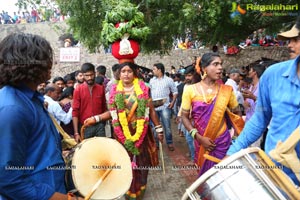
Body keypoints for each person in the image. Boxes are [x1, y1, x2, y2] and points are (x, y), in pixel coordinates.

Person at [0, 33, 82, 199]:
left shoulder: (33, 100)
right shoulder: (12, 109)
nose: (51, 64)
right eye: (45, 59)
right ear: (30, 63)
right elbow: (8, 178)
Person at [227, 20, 300, 186]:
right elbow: (260, 119)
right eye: (290, 39)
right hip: (275, 175)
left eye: (297, 39)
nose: (289, 45)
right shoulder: (273, 75)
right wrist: (232, 153)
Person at [83, 62, 164, 200]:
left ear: (134, 73)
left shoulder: (143, 88)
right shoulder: (114, 90)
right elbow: (112, 112)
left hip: (141, 133)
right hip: (121, 134)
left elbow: (151, 110)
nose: (126, 74)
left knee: (142, 163)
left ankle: (140, 190)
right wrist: (96, 118)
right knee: (125, 163)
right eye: (123, 71)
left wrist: (159, 128)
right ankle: (128, 191)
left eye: (129, 71)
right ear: (119, 74)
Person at [181, 52, 244, 176]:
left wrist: (236, 138)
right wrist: (198, 137)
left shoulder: (227, 90)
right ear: (204, 68)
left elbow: (237, 113)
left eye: (221, 64)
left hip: (223, 143)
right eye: (215, 64)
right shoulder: (190, 90)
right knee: (206, 179)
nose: (220, 67)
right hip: (201, 143)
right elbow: (184, 116)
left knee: (226, 177)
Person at [72, 62, 107, 141]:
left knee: (101, 148)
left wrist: (102, 123)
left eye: (91, 75)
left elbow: (104, 108)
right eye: (87, 75)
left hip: (99, 125)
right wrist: (76, 133)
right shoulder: (78, 90)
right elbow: (75, 111)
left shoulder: (101, 88)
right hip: (85, 126)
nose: (89, 78)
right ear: (83, 75)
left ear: (95, 74)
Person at [149, 63, 178, 151]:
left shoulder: (169, 80)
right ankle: (157, 143)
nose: (153, 71)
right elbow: (149, 92)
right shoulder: (152, 80)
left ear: (159, 70)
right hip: (154, 108)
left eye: (154, 69)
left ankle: (169, 143)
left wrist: (172, 103)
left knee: (167, 126)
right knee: (155, 127)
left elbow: (175, 92)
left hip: (165, 107)